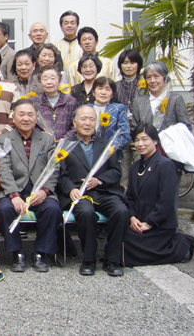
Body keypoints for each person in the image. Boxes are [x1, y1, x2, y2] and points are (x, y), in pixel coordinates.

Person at [57, 106, 129, 276]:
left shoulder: (106, 144)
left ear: (96, 123)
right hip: (80, 195)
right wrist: (71, 189)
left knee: (121, 211)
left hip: (103, 192)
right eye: (83, 119)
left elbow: (116, 172)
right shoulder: (65, 145)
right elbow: (59, 174)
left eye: (91, 119)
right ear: (75, 122)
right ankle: (89, 259)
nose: (87, 123)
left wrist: (100, 180)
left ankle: (112, 260)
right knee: (86, 213)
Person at [0, 99, 62, 272]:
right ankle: (17, 252)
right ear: (14, 117)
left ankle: (41, 253)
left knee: (52, 209)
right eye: (21, 114)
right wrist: (14, 195)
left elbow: (54, 168)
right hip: (14, 189)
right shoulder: (4, 140)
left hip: (39, 190)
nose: (26, 118)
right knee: (3, 209)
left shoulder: (47, 140)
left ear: (36, 117)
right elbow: (3, 169)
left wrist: (45, 191)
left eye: (30, 114)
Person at [123, 123, 194, 266]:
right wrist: (132, 218)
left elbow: (167, 200)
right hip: (139, 221)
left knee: (126, 252)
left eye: (145, 139)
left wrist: (149, 223)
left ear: (155, 141)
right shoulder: (135, 167)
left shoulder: (165, 165)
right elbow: (129, 197)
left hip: (158, 225)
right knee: (117, 239)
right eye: (137, 140)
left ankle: (181, 247)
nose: (140, 144)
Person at [131, 61, 191, 134]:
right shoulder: (139, 102)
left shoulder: (175, 99)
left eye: (156, 76)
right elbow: (134, 129)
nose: (152, 81)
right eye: (148, 77)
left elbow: (186, 127)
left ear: (165, 78)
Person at [116, 49, 143, 190]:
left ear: (138, 65)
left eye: (132, 63)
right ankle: (126, 205)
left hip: (140, 133)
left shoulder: (144, 86)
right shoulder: (116, 86)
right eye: (125, 63)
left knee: (140, 170)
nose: (129, 66)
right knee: (123, 174)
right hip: (121, 134)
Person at [32, 65, 77, 141]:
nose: (49, 82)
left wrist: (64, 139)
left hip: (65, 146)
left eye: (53, 78)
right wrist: (41, 134)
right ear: (40, 82)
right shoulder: (34, 102)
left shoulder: (70, 101)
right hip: (41, 143)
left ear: (59, 81)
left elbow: (75, 126)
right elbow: (30, 124)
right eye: (45, 79)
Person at [89, 77, 131, 151]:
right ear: (93, 92)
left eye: (108, 89)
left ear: (112, 94)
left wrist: (108, 149)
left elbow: (124, 135)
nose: (103, 92)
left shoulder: (118, 109)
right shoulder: (85, 109)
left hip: (111, 153)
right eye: (100, 88)